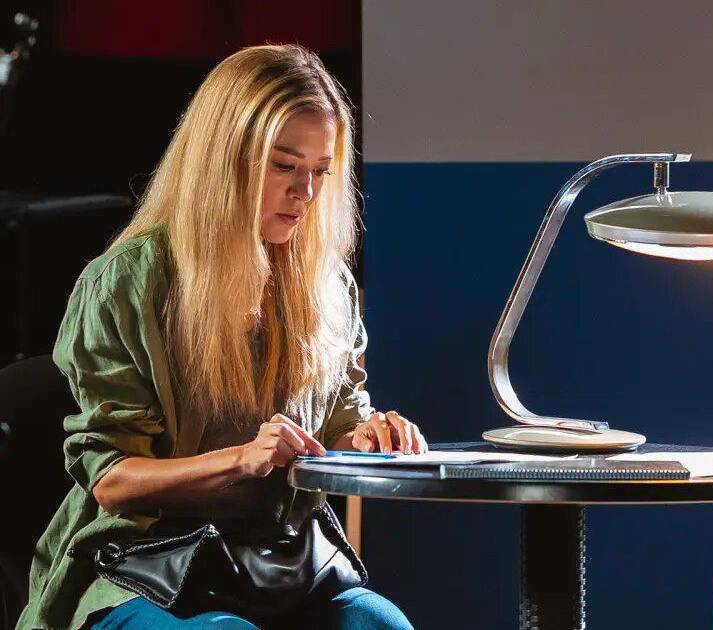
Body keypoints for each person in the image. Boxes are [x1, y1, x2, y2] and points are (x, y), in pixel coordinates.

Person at [18, 45, 424, 630]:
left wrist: (369, 437)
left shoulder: (326, 286)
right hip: (144, 569)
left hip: (278, 566)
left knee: (380, 625)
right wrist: (240, 460)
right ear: (224, 160)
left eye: (321, 171)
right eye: (284, 165)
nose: (306, 193)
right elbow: (112, 480)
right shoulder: (131, 282)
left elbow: (339, 424)